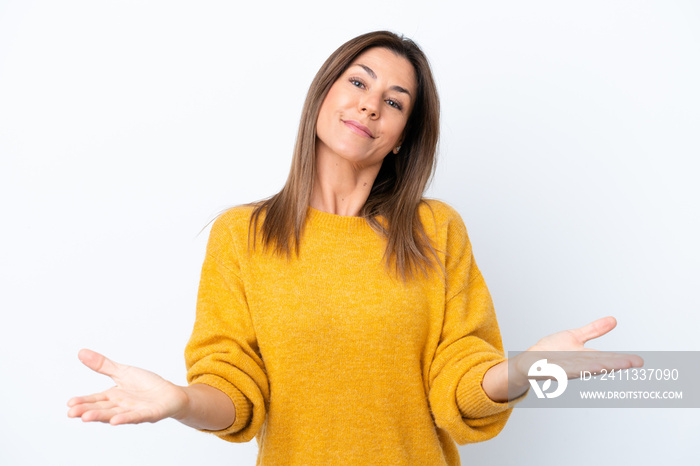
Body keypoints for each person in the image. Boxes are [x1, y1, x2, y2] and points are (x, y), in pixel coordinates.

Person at [67, 31, 642, 465]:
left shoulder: (434, 231)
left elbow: (459, 380)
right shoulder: (242, 236)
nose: (371, 105)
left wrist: (527, 370)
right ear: (324, 94)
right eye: (359, 82)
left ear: (401, 140)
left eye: (395, 102)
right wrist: (180, 401)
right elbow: (236, 391)